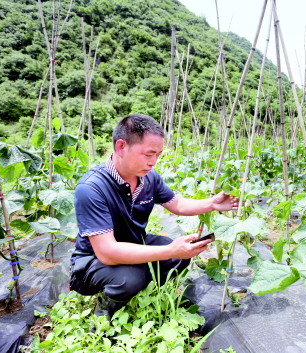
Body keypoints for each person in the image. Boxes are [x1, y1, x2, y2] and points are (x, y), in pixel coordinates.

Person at [69, 113, 239, 317]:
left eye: (158, 155)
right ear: (121, 147)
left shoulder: (149, 177)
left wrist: (212, 204)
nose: (154, 162)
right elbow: (107, 252)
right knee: (131, 277)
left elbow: (177, 204)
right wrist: (171, 250)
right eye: (149, 154)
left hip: (134, 243)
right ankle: (105, 310)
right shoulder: (91, 188)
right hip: (93, 261)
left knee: (179, 259)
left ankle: (148, 293)